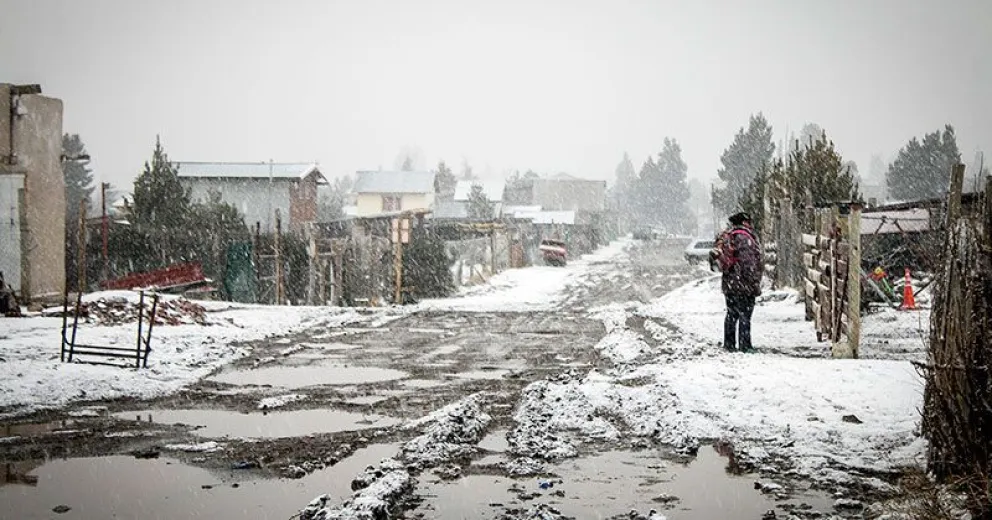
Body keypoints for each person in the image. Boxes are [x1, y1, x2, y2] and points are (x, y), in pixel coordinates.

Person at [710, 212, 762, 352]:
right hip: (744, 283)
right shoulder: (744, 238)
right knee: (745, 315)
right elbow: (748, 262)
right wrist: (753, 281)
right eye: (749, 221)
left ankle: (729, 344)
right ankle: (745, 345)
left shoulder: (728, 236)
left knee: (731, 314)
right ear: (745, 222)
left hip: (729, 283)